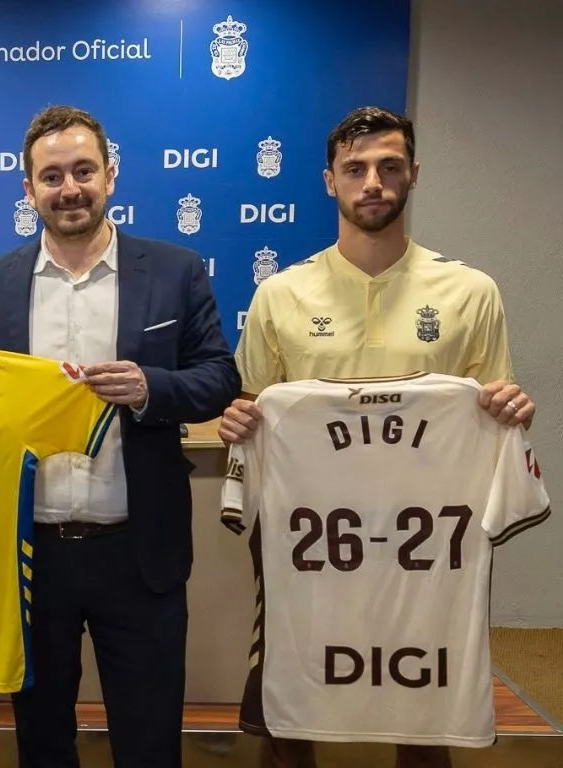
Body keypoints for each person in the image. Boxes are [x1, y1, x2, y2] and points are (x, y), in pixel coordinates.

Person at [218, 106, 536, 768]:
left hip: (425, 535)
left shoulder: (471, 291)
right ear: (329, 180)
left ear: (413, 176)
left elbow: (491, 408)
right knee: (292, 697)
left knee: (422, 697)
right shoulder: (280, 294)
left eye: (390, 167)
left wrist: (509, 408)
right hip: (310, 532)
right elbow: (250, 407)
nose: (373, 183)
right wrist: (237, 422)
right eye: (356, 169)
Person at [0, 105, 240, 768]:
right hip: (30, 557)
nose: (70, 187)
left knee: (148, 743)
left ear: (111, 176)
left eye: (83, 170)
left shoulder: (174, 270)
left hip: (138, 553)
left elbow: (219, 377)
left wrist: (150, 389)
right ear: (27, 190)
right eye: (51, 176)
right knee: (43, 742)